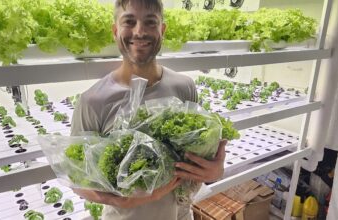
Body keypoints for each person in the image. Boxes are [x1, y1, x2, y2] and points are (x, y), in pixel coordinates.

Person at [70, 0, 227, 219]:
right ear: (115, 31)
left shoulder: (184, 87)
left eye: (150, 23)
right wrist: (121, 199)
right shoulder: (93, 101)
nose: (140, 31)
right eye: (129, 21)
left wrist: (215, 172)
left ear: (162, 30)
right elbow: (77, 180)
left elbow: (198, 157)